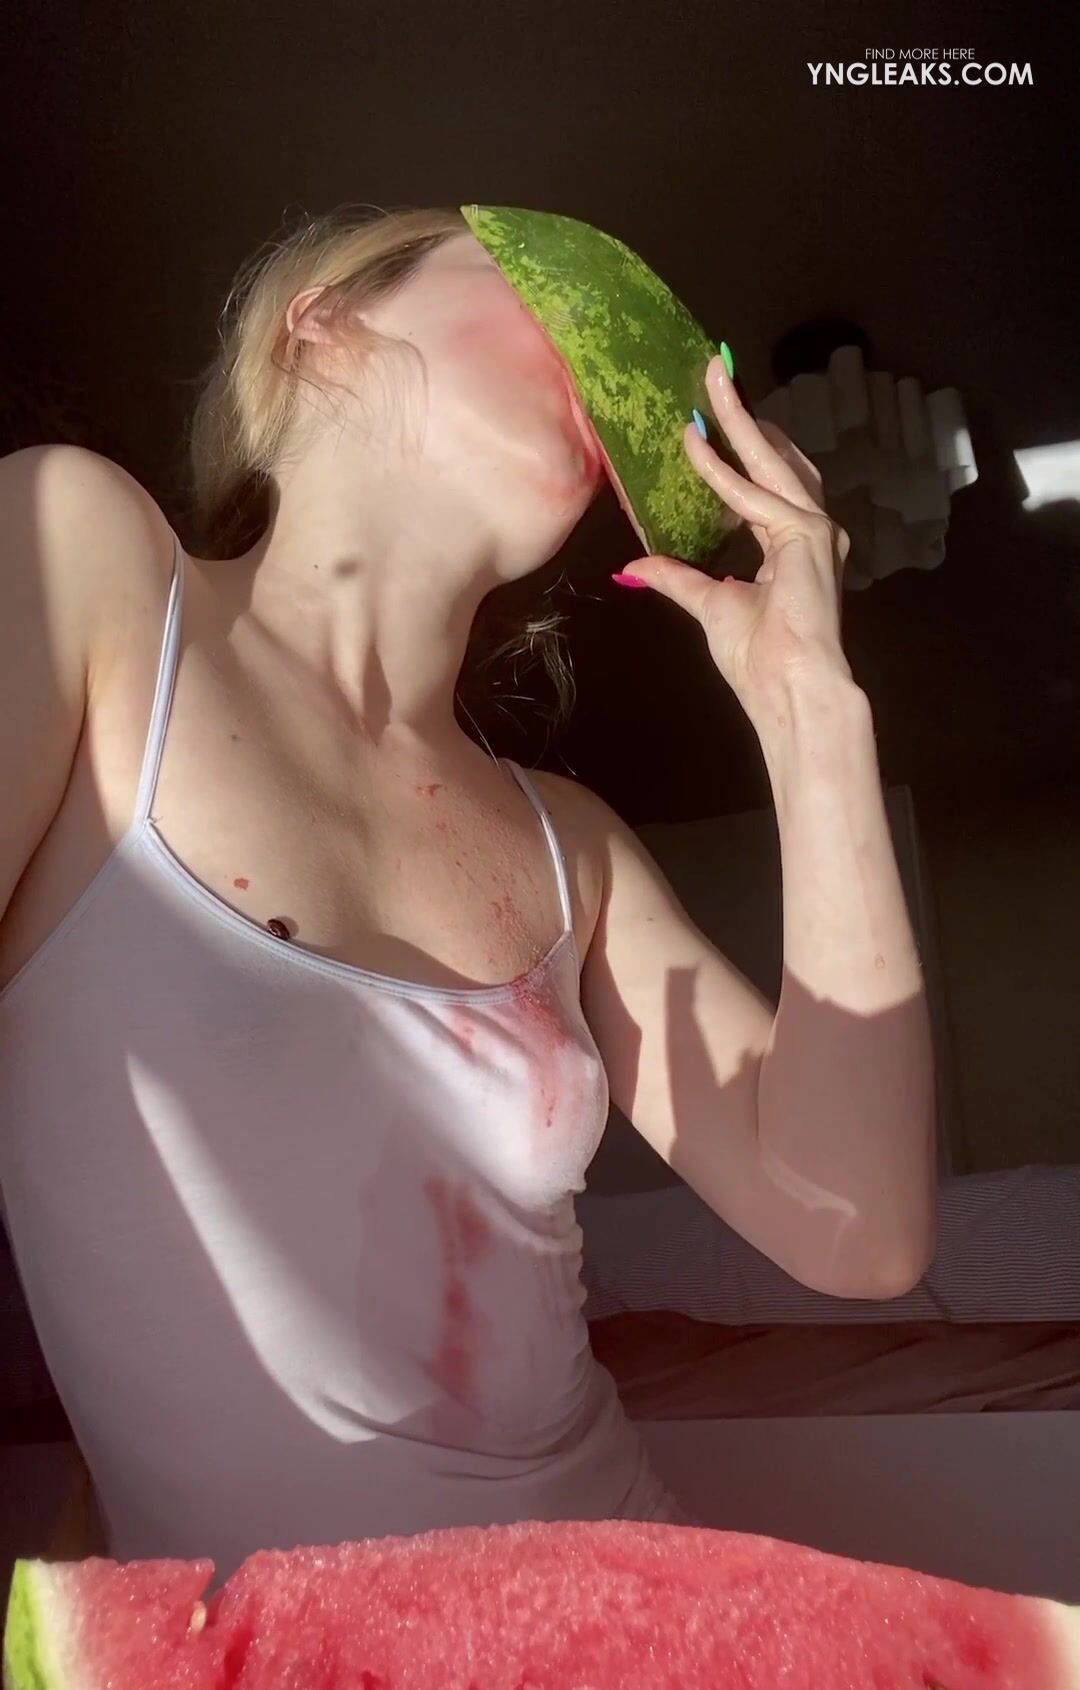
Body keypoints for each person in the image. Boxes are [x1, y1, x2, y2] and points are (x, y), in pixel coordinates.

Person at [0, 206, 937, 1579]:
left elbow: (862, 1230)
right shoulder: (85, 561)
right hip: (264, 1684)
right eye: (533, 286)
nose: (596, 344)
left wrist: (813, 715)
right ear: (321, 322)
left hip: (631, 1598)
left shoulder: (574, 845)